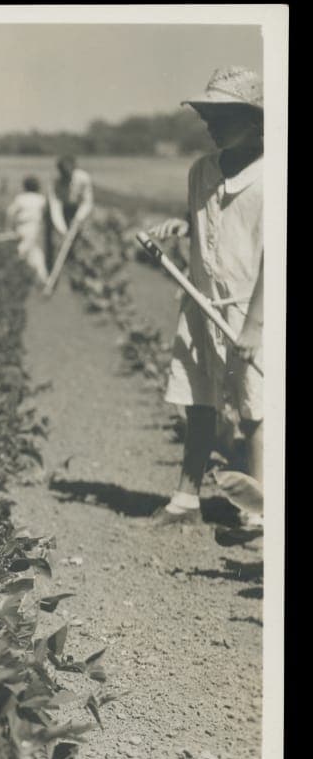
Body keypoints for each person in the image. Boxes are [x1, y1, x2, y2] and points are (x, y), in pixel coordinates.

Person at [147, 66, 264, 539]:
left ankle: (258, 512)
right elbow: (207, 223)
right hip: (201, 302)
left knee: (257, 408)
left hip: (251, 308)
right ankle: (186, 497)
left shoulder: (271, 178)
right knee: (199, 399)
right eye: (206, 115)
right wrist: (182, 228)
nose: (210, 124)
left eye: (222, 116)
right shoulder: (201, 170)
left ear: (256, 122)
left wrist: (256, 326)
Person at [46, 154, 95, 271]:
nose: (66, 176)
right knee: (60, 239)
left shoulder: (83, 178)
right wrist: (63, 230)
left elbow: (87, 202)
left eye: (69, 173)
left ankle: (80, 263)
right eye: (64, 173)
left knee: (80, 237)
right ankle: (54, 265)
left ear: (74, 169)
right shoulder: (55, 182)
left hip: (79, 208)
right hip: (62, 209)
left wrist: (78, 218)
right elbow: (55, 208)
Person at [4, 176, 49, 284]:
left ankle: (39, 278)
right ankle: (42, 278)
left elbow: (10, 212)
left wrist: (8, 228)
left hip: (22, 227)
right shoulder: (41, 199)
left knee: (29, 251)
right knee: (31, 251)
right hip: (35, 228)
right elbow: (46, 215)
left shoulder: (21, 198)